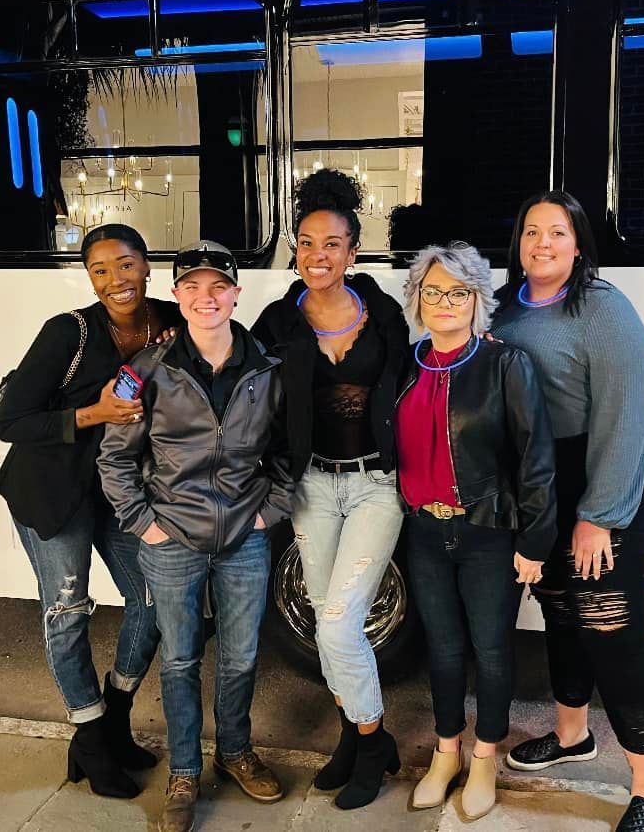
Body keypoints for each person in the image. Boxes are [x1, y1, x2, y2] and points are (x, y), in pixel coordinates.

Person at [97, 241, 296, 832]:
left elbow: (287, 453)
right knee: (181, 659)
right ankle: (184, 771)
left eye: (218, 287)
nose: (205, 298)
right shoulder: (146, 372)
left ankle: (234, 752)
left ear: (237, 294)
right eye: (192, 286)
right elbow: (115, 457)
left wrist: (270, 513)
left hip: (245, 537)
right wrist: (143, 524)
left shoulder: (266, 368)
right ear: (177, 295)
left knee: (241, 656)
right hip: (172, 540)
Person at [492, 192, 644, 832]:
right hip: (548, 478)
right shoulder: (504, 307)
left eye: (557, 232)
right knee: (560, 607)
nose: (542, 243)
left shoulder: (602, 309)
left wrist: (598, 515)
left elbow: (625, 417)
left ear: (578, 244)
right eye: (531, 231)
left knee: (607, 619)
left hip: (617, 469)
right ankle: (572, 736)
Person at [0, 223, 182, 798]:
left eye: (124, 265)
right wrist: (93, 415)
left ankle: (116, 715)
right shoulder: (66, 332)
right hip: (50, 492)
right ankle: (91, 738)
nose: (114, 280)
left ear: (147, 265)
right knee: (68, 613)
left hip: (121, 493)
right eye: (100, 270)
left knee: (154, 600)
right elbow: (11, 422)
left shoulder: (173, 324)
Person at [251, 169, 410, 810]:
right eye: (308, 243)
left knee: (341, 626)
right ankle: (358, 736)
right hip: (312, 486)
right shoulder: (275, 321)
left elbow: (418, 378)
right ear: (296, 249)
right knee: (324, 625)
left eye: (334, 244)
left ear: (353, 249)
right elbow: (243, 390)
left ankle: (372, 746)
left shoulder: (383, 309)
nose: (320, 256)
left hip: (377, 484)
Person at [396, 241, 557, 821]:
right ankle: (446, 753)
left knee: (490, 652)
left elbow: (535, 458)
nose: (444, 302)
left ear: (476, 301)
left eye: (457, 292)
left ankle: (484, 757)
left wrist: (535, 541)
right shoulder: (405, 363)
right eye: (432, 290)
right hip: (424, 533)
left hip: (488, 533)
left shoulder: (504, 364)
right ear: (417, 299)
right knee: (440, 650)